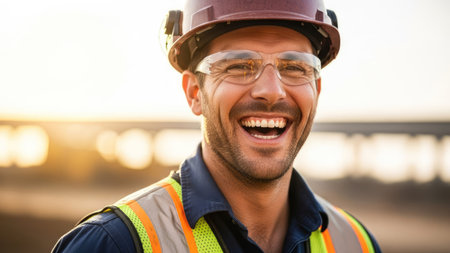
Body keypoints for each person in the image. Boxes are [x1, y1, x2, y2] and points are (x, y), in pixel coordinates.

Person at [53, 0, 382, 252]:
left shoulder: (356, 243)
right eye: (239, 66)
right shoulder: (112, 244)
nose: (271, 90)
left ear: (316, 91)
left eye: (295, 67)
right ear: (195, 92)